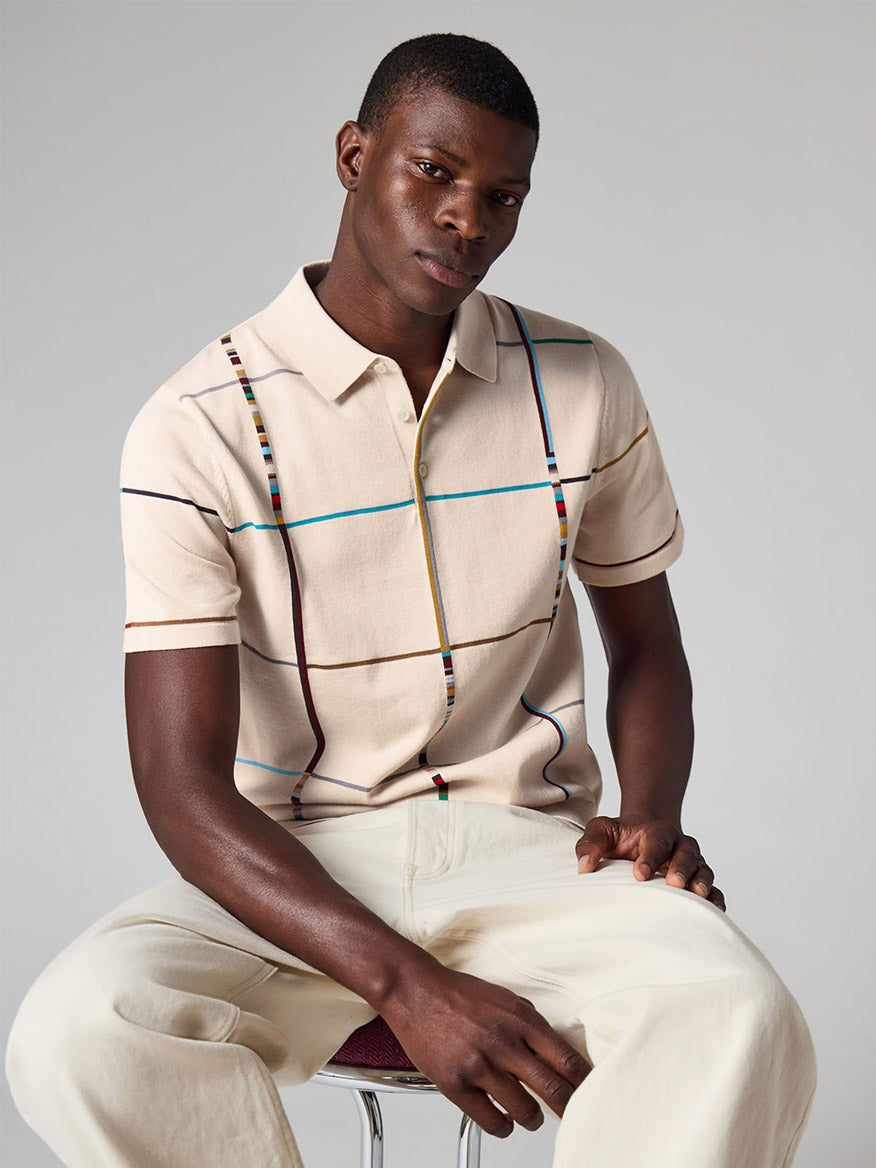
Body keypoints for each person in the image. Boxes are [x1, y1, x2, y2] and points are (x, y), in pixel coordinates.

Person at [5, 32, 816, 1168]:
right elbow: (179, 784)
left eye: (502, 193)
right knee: (79, 1032)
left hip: (534, 847)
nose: (466, 218)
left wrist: (653, 815)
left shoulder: (582, 379)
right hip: (293, 865)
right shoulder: (195, 426)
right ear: (353, 154)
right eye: (433, 173)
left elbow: (646, 639)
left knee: (742, 1014)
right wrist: (411, 985)